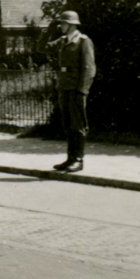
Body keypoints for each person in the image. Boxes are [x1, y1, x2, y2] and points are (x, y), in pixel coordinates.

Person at [39, 10, 96, 173]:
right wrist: (48, 31)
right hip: (64, 87)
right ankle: (70, 158)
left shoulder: (83, 41)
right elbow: (42, 48)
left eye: (63, 23)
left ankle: (78, 159)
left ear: (71, 24)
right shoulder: (63, 41)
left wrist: (82, 90)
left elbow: (89, 68)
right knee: (68, 125)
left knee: (78, 125)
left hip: (76, 89)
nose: (60, 26)